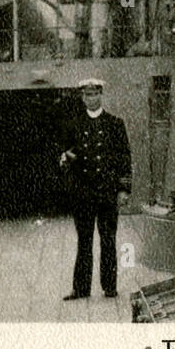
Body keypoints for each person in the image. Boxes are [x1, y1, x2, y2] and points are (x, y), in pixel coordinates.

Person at [59, 78, 131, 300]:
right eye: (87, 95)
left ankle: (109, 287)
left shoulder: (115, 123)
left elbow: (124, 158)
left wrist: (123, 189)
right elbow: (65, 155)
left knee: (108, 240)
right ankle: (80, 288)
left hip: (107, 192)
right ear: (82, 97)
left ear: (101, 95)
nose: (91, 99)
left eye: (95, 94)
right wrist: (67, 161)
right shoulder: (73, 124)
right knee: (84, 241)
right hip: (83, 193)